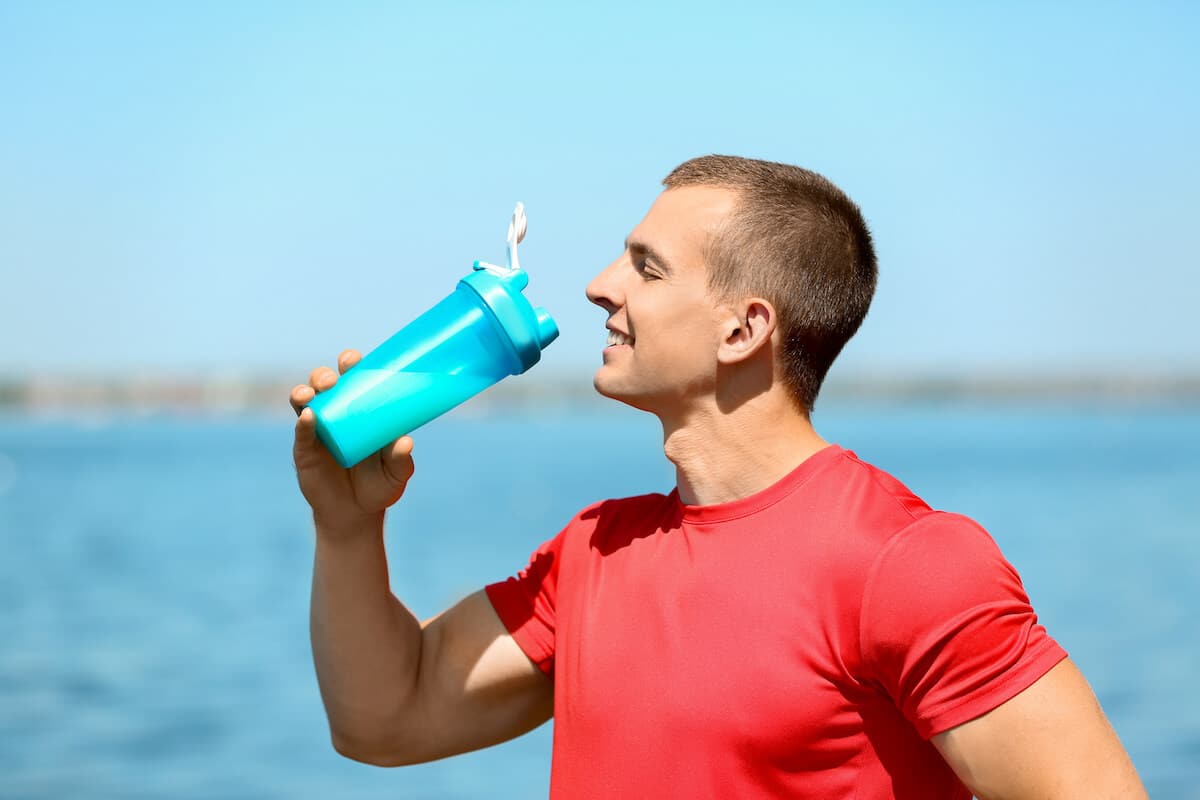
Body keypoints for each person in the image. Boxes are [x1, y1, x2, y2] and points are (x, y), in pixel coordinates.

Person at [290, 155, 1147, 799]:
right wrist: (346, 525)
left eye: (646, 266)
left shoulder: (908, 563)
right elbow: (383, 718)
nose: (597, 287)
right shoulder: (594, 550)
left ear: (744, 329)